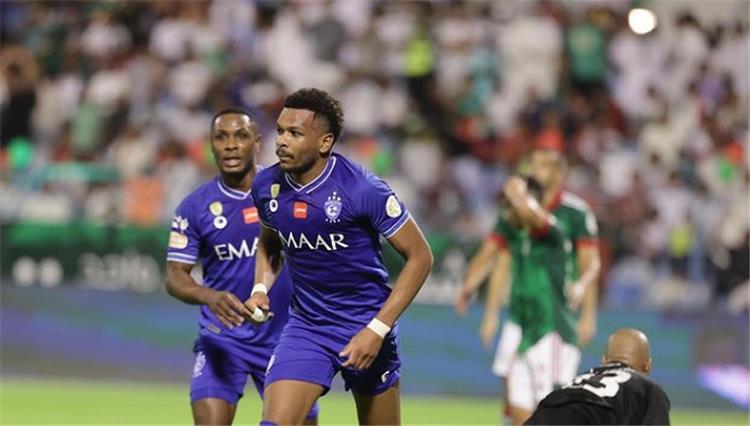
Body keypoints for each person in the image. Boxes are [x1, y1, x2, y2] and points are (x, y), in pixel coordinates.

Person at [246, 88, 433, 425]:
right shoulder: (265, 187)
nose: (281, 141)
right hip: (308, 327)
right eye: (280, 131)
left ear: (325, 142)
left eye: (295, 133)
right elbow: (270, 245)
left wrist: (377, 329)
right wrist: (260, 288)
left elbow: (420, 257)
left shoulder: (363, 189)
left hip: (366, 324)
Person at [165, 108, 318, 425]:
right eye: (221, 137)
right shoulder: (195, 207)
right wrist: (209, 296)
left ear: (257, 142)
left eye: (241, 136)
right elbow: (175, 277)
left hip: (287, 341)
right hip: (222, 339)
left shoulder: (287, 192)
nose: (231, 145)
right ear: (211, 145)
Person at [455, 147, 601, 424]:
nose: (534, 170)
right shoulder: (515, 220)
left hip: (554, 320)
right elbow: (495, 258)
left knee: (553, 406)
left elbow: (590, 264)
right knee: (517, 402)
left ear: (558, 174)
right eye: (532, 163)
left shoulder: (562, 222)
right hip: (522, 319)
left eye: (542, 165)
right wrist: (470, 286)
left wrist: (587, 307)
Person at [526, 328, 671, 425]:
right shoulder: (649, 390)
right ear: (647, 366)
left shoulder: (582, 379)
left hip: (544, 413)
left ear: (605, 361)